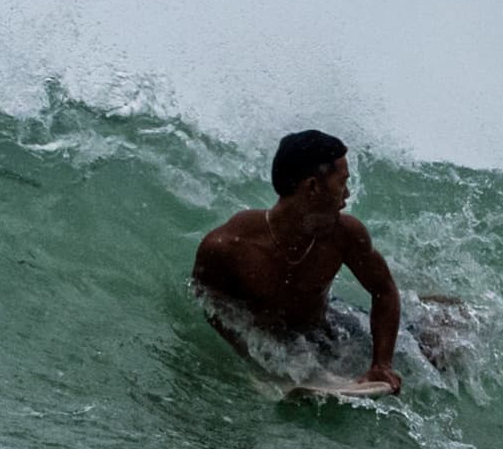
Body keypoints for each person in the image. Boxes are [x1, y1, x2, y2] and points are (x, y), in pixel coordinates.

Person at [190, 130, 452, 395]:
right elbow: (212, 307)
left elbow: (384, 290)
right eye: (342, 182)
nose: (347, 194)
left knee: (433, 354)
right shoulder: (226, 247)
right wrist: (254, 362)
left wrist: (381, 364)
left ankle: (441, 313)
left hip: (334, 331)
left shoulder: (345, 235)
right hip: (280, 339)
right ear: (313, 187)